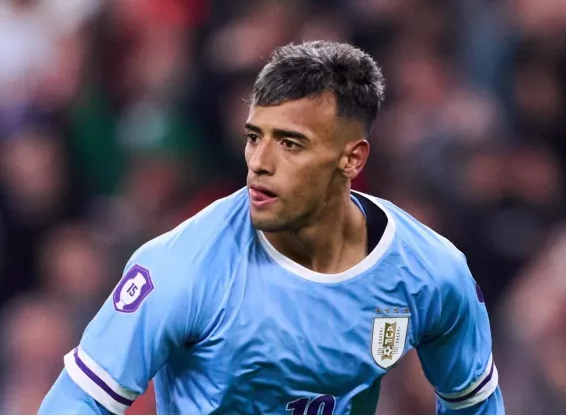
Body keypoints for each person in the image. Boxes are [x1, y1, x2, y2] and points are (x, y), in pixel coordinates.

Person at [39, 41, 504, 415]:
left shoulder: (432, 274)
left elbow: (475, 403)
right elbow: (78, 401)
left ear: (352, 158)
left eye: (290, 143)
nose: (259, 164)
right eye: (253, 137)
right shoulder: (182, 268)